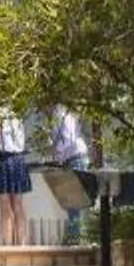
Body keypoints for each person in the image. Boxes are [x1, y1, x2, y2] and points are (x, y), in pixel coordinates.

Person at [46, 102, 96, 245]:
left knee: (75, 204)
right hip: (72, 158)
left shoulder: (61, 112)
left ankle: (75, 240)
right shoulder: (61, 112)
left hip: (74, 158)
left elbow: (68, 140)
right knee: (73, 205)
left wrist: (56, 154)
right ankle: (75, 238)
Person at [0, 105, 33, 246]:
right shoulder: (17, 114)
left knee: (5, 205)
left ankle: (7, 245)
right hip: (18, 159)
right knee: (18, 204)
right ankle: (23, 244)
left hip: (2, 159)